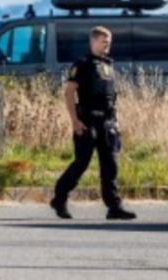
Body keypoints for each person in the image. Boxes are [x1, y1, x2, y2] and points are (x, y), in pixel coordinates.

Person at [50, 26, 136, 221]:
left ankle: (114, 207)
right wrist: (75, 121)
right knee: (81, 163)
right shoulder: (82, 64)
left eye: (109, 42)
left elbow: (110, 98)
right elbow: (69, 92)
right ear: (93, 41)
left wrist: (116, 121)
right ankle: (59, 198)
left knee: (110, 165)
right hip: (87, 121)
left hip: (107, 123)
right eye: (104, 42)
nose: (107, 46)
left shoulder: (107, 65)